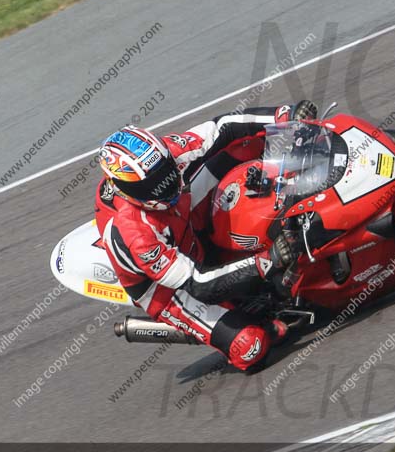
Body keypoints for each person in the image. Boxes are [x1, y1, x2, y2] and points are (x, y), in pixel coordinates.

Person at [94, 101, 317, 371]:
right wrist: (267, 261)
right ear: (125, 190)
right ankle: (214, 325)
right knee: (251, 346)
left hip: (182, 216)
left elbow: (223, 127)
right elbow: (197, 282)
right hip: (168, 288)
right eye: (150, 185)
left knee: (247, 145)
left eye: (165, 172)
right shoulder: (135, 234)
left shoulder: (168, 154)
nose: (164, 185)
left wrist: (284, 116)